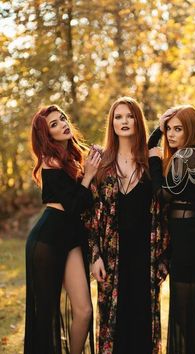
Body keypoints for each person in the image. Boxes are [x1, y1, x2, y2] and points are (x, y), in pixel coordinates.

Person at [84, 96, 169, 354]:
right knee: (115, 324)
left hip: (146, 255)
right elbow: (89, 216)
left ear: (137, 121)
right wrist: (95, 256)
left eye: (129, 116)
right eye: (118, 117)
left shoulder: (151, 163)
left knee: (143, 322)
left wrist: (165, 256)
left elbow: (165, 210)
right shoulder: (102, 164)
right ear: (112, 123)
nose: (124, 121)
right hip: (111, 257)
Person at [24, 105, 101, 354]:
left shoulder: (73, 157)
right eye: (54, 124)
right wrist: (88, 177)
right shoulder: (51, 160)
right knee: (46, 315)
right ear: (47, 135)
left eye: (62, 119)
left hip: (71, 239)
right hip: (47, 240)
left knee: (84, 311)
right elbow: (74, 206)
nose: (62, 124)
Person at [148, 105, 195, 354]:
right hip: (189, 244)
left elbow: (162, 195)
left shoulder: (187, 156)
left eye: (178, 129)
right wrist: (158, 130)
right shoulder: (193, 154)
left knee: (186, 321)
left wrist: (154, 161)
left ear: (191, 130)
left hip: (189, 247)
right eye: (169, 129)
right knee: (188, 320)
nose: (171, 134)